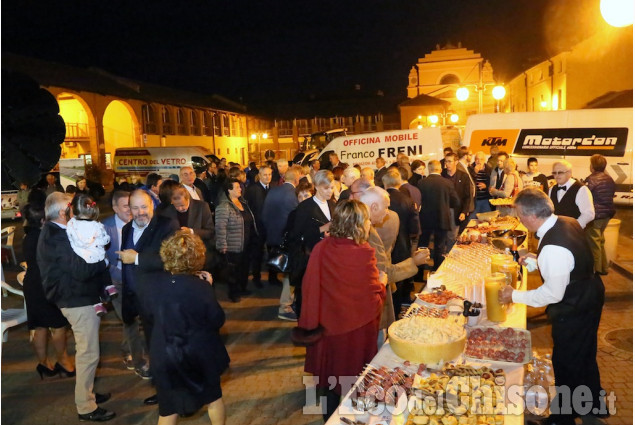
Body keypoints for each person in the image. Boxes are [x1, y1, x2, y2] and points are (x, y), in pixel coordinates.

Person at [500, 188, 606, 425]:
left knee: (566, 360)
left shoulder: (553, 248)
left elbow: (552, 294)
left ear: (530, 216)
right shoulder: (566, 221)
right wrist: (538, 262)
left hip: (575, 305)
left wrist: (514, 295)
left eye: (519, 215)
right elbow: (568, 264)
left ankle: (563, 419)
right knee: (585, 354)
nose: (519, 219)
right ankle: (592, 406)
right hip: (589, 292)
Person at [299, 200, 386, 421]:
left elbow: (309, 288)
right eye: (366, 220)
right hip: (354, 332)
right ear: (358, 224)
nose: (369, 224)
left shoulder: (321, 248)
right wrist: (382, 284)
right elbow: (371, 299)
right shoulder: (364, 253)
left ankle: (328, 420)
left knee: (329, 382)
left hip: (326, 328)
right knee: (353, 382)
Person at [38, 192, 115, 422]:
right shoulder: (57, 236)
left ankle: (87, 393)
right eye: (72, 207)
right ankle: (85, 406)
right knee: (89, 354)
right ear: (64, 212)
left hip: (77, 297)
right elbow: (81, 270)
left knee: (87, 352)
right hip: (76, 300)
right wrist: (103, 261)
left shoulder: (59, 232)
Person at [144, 231, 229, 425]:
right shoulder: (200, 287)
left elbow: (149, 315)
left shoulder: (153, 285)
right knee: (213, 399)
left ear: (167, 254)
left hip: (164, 354)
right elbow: (216, 319)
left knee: (168, 409)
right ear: (197, 257)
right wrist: (209, 286)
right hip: (197, 354)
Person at [117, 190, 180, 406]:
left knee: (168, 348)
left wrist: (138, 258)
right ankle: (163, 390)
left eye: (144, 207)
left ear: (152, 205)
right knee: (154, 349)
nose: (140, 212)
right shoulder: (126, 229)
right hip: (140, 301)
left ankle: (176, 393)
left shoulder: (167, 225)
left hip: (163, 300)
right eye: (134, 208)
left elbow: (171, 258)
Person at [357, 186, 430, 343]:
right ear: (374, 207)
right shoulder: (367, 231)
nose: (387, 213)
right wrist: (413, 263)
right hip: (369, 305)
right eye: (386, 207)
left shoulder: (361, 226)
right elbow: (383, 272)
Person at [22, 202, 75, 379]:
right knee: (58, 325)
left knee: (40, 326)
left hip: (32, 284)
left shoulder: (28, 237)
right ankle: (64, 361)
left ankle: (43, 363)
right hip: (48, 283)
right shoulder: (46, 237)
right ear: (44, 219)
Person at [102, 191, 149, 378]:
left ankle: (126, 349)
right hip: (117, 281)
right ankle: (139, 362)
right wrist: (119, 273)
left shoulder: (140, 224)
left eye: (131, 206)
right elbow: (102, 259)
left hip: (139, 280)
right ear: (114, 208)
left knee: (133, 319)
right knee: (130, 320)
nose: (130, 210)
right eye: (125, 206)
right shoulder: (105, 227)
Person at [291, 170, 336, 318]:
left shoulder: (333, 204)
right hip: (308, 258)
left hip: (328, 257)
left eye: (332, 187)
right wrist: (323, 229)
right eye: (326, 188)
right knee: (307, 295)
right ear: (316, 186)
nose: (330, 191)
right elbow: (296, 235)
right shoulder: (305, 207)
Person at [65, 194, 116, 317]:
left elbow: (70, 239)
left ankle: (96, 305)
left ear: (74, 210)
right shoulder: (96, 225)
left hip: (83, 260)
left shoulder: (71, 224)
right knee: (104, 268)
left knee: (90, 283)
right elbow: (105, 240)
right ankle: (110, 287)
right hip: (97, 258)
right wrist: (104, 240)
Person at [262, 168, 301, 318]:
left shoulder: (273, 191)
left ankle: (275, 282)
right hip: (287, 237)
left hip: (273, 234)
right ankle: (286, 305)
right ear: (296, 180)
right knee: (290, 269)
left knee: (280, 265)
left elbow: (264, 214)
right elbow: (295, 219)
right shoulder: (294, 195)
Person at [382, 168, 419, 317]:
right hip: (402, 243)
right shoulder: (407, 200)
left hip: (384, 245)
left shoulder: (381, 199)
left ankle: (389, 313)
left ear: (385, 183)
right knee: (400, 276)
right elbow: (414, 227)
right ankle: (398, 309)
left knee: (387, 278)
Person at [215, 178, 258, 302]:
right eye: (237, 187)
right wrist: (222, 245)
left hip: (246, 243)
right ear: (229, 190)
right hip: (233, 245)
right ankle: (234, 292)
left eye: (240, 187)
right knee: (233, 270)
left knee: (244, 268)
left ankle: (243, 288)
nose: (240, 189)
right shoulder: (224, 206)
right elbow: (220, 227)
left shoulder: (243, 203)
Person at [418, 160, 460, 270]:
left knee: (422, 246)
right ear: (440, 169)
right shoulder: (447, 183)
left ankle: (420, 272)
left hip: (425, 219)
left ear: (429, 169)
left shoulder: (421, 183)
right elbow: (456, 202)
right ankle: (437, 270)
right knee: (440, 247)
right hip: (442, 218)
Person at [584, 154, 616, 275]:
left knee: (594, 244)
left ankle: (595, 271)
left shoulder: (591, 179)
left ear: (592, 166)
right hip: (607, 214)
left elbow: (585, 196)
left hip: (596, 216)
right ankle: (604, 268)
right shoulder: (609, 178)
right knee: (600, 240)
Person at [160, 185, 215, 251]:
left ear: (187, 199)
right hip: (177, 250)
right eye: (176, 206)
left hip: (198, 249)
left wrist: (191, 231)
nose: (180, 208)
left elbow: (210, 232)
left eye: (182, 205)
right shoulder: (168, 211)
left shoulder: (202, 207)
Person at [244, 165, 273, 287]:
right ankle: (256, 278)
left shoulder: (273, 188)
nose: (268, 177)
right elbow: (247, 208)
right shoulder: (252, 189)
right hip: (257, 228)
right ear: (259, 176)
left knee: (272, 253)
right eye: (265, 175)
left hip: (271, 228)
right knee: (257, 254)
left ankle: (273, 277)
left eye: (269, 174)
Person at [549, 160, 595, 229]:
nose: (557, 175)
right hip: (556, 232)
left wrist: (573, 228)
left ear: (569, 173)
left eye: (560, 172)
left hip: (576, 233)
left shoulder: (581, 189)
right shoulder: (552, 189)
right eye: (554, 173)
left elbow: (589, 214)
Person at [442, 152, 472, 244]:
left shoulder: (464, 176)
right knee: (442, 236)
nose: (447, 164)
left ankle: (449, 254)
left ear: (456, 162)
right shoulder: (441, 175)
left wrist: (464, 211)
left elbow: (467, 196)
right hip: (443, 210)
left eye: (450, 161)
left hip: (456, 211)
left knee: (453, 236)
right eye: (446, 161)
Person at [468, 151, 493, 218]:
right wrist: (475, 172)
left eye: (481, 159)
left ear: (484, 160)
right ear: (474, 160)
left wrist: (486, 186)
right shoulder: (470, 168)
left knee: (488, 219)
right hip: (474, 200)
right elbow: (468, 182)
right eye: (477, 159)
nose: (479, 161)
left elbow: (492, 183)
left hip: (485, 199)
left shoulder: (488, 169)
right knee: (472, 220)